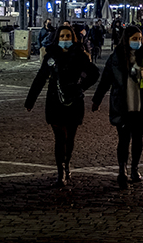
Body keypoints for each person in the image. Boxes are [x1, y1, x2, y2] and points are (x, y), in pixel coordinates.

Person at [25, 26, 100, 187]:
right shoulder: (51, 56)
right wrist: (30, 100)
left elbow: (94, 73)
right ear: (57, 38)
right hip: (55, 100)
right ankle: (61, 171)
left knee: (70, 137)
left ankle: (67, 163)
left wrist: (81, 86)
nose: (65, 39)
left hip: (74, 100)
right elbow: (40, 77)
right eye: (62, 36)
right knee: (60, 138)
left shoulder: (80, 55)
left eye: (68, 36)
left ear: (73, 38)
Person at [91, 26, 143, 189]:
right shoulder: (116, 57)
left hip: (142, 103)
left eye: (139, 39)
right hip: (122, 103)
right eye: (134, 39)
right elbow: (105, 80)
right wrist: (97, 99)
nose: (137, 42)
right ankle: (122, 170)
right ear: (126, 40)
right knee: (123, 139)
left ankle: (135, 169)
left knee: (138, 138)